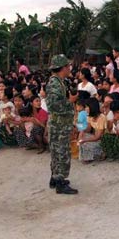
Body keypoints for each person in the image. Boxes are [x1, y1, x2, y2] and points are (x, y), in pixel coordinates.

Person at [46, 54, 78, 194]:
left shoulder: (59, 81)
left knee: (57, 151)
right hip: (59, 125)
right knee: (61, 152)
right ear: (63, 67)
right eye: (68, 66)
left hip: (60, 124)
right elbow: (53, 105)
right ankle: (60, 183)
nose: (69, 68)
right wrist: (70, 101)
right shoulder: (54, 83)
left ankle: (55, 178)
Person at [79, 98, 106, 163]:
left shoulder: (101, 117)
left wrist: (84, 140)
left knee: (84, 142)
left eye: (87, 107)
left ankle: (99, 154)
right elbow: (88, 129)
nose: (85, 109)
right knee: (82, 137)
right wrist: (81, 131)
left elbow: (97, 137)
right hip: (95, 136)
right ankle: (87, 157)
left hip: (102, 140)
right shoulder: (90, 116)